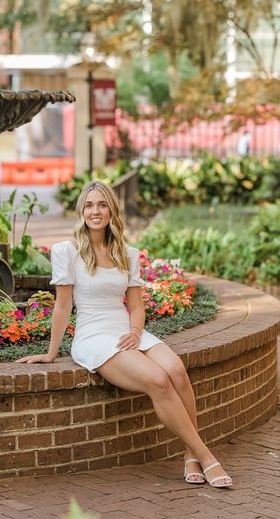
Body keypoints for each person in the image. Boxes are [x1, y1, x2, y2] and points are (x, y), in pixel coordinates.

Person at [16, 180, 233, 488]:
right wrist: (52, 352)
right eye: (89, 205)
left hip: (126, 331)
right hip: (94, 336)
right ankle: (207, 456)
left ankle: (190, 455)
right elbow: (63, 306)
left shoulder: (126, 253)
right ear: (82, 211)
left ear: (111, 210)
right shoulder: (67, 251)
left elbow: (136, 306)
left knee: (176, 371)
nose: (95, 211)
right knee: (158, 380)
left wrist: (135, 331)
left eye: (102, 205)